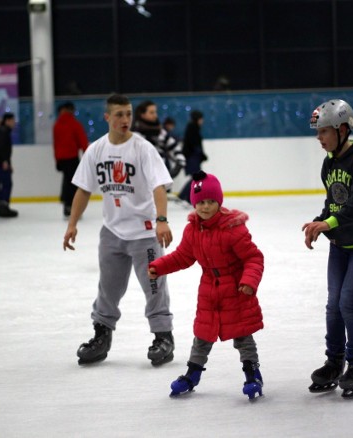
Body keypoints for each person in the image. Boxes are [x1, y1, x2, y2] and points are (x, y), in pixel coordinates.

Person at [63, 94, 176, 367]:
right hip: (112, 233)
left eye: (128, 114)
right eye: (119, 115)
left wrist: (161, 219)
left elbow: (159, 186)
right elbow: (83, 189)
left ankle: (163, 338)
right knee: (108, 289)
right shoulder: (96, 150)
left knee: (154, 287)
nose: (125, 120)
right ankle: (101, 336)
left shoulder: (143, 149)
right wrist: (72, 224)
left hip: (144, 233)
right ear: (107, 118)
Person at [148, 171, 265, 400]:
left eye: (211, 201)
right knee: (202, 335)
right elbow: (183, 256)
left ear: (219, 202)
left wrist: (249, 282)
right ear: (194, 203)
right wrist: (159, 266)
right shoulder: (193, 230)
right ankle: (192, 374)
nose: (205, 206)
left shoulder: (233, 228)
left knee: (242, 336)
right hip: (209, 291)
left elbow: (254, 258)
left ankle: (253, 374)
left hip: (236, 290)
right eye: (200, 202)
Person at [302, 99, 353, 398]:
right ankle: (334, 361)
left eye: (323, 131)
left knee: (348, 302)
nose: (319, 138)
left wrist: (329, 224)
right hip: (340, 244)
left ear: (341, 129)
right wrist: (319, 222)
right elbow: (334, 204)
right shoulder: (330, 163)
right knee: (333, 304)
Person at [132, 100, 185, 178]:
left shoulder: (160, 132)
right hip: (140, 176)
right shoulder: (134, 134)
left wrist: (179, 164)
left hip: (160, 175)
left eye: (155, 112)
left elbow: (174, 147)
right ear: (142, 114)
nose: (155, 115)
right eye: (151, 112)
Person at [53, 101, 89, 218]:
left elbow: (56, 144)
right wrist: (87, 155)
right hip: (72, 157)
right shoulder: (74, 124)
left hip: (62, 158)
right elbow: (82, 141)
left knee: (67, 180)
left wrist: (57, 159)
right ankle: (72, 206)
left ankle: (67, 204)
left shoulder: (57, 125)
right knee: (73, 182)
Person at [0, 112, 18, 218]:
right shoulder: (3, 131)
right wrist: (5, 161)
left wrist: (8, 162)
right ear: (7, 121)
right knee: (7, 183)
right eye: (13, 120)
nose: (14, 123)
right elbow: (1, 148)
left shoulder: (3, 131)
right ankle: (3, 207)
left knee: (6, 183)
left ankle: (3, 206)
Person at [178, 110, 207, 204]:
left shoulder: (194, 128)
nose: (202, 121)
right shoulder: (193, 128)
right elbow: (194, 144)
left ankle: (187, 197)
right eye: (201, 118)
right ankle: (184, 196)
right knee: (197, 177)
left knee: (197, 177)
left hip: (193, 157)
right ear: (197, 119)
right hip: (192, 157)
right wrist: (201, 154)